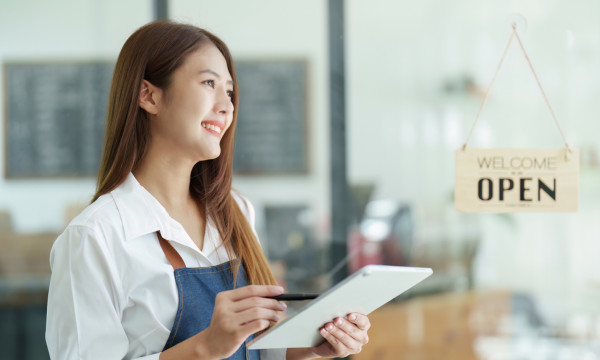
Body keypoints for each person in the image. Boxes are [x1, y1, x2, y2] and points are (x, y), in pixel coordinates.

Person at [45, 20, 370, 360]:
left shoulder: (235, 210)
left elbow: (258, 351)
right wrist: (205, 347)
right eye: (209, 83)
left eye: (229, 91)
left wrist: (314, 349)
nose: (226, 106)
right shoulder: (95, 237)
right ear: (149, 96)